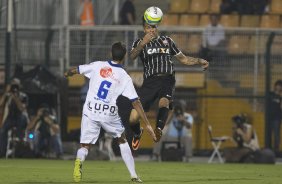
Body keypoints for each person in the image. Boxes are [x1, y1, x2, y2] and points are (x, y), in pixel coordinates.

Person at [64, 42, 156, 183]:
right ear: (124, 56)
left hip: (90, 110)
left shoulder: (98, 65)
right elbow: (135, 102)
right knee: (122, 140)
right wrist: (148, 124)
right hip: (108, 112)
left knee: (85, 146)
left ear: (110, 53)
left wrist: (68, 73)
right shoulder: (124, 76)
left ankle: (78, 162)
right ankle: (133, 175)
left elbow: (76, 69)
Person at [128, 16, 209, 150]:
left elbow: (184, 59)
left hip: (167, 78)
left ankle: (159, 128)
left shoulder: (168, 41)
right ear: (144, 29)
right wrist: (143, 43)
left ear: (157, 27)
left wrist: (199, 60)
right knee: (133, 118)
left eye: (153, 27)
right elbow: (131, 57)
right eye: (148, 27)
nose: (151, 30)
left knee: (164, 101)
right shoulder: (139, 42)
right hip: (150, 81)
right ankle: (137, 133)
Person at [0, 78, 29, 157]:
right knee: (2, 130)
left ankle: (19, 150)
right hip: (10, 117)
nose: (14, 87)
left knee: (20, 130)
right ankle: (2, 152)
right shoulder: (7, 95)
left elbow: (22, 108)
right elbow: (0, 104)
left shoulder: (23, 96)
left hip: (20, 117)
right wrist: (6, 93)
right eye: (13, 84)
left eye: (16, 85)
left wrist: (15, 97)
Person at [267, 80, 282, 155]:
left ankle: (276, 150)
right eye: (278, 85)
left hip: (277, 118)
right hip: (269, 117)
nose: (278, 87)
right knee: (268, 133)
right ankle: (268, 149)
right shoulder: (270, 94)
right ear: (275, 86)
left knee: (276, 134)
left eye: (280, 86)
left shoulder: (280, 96)